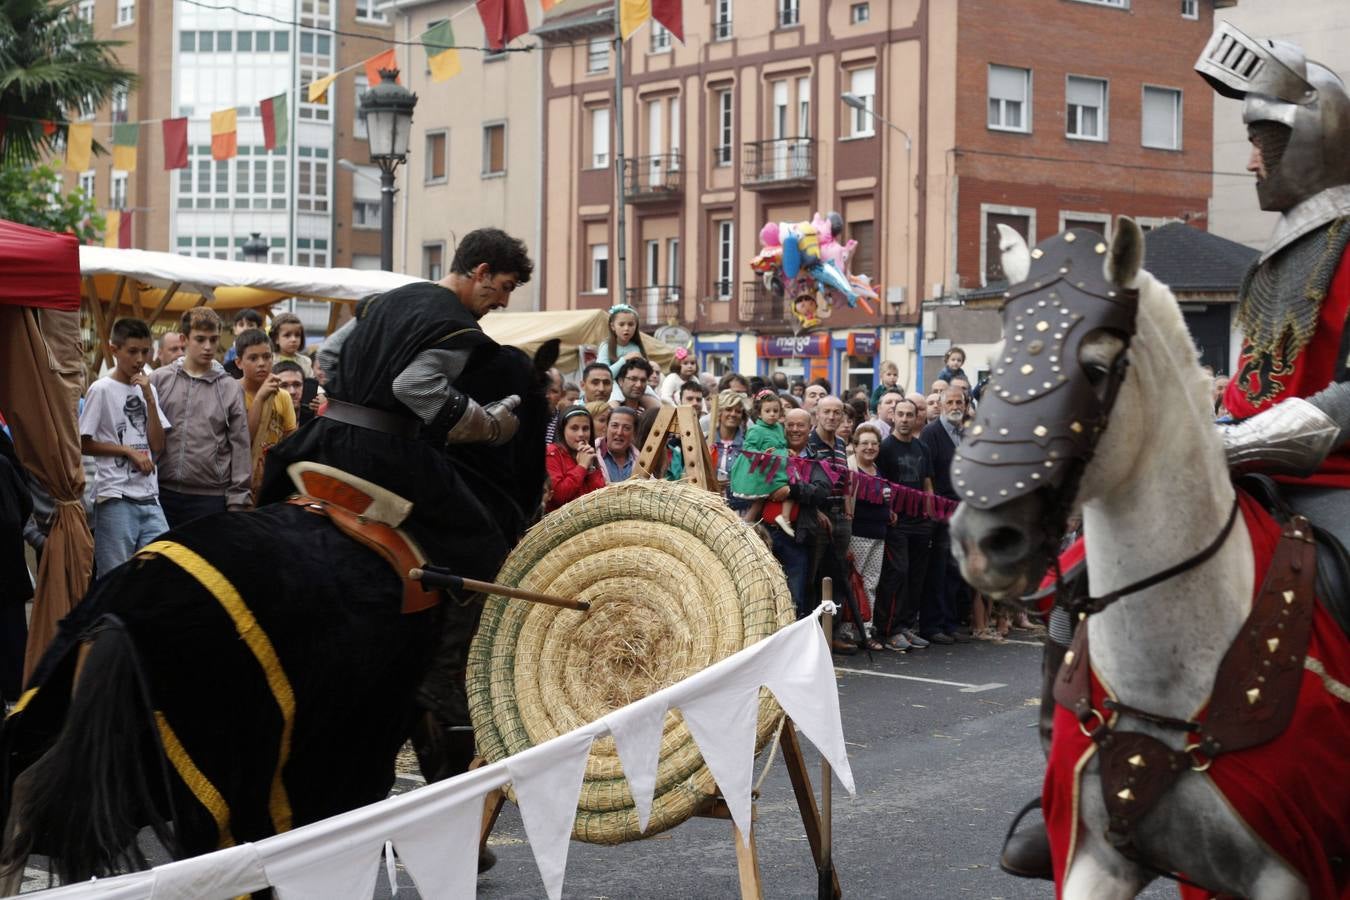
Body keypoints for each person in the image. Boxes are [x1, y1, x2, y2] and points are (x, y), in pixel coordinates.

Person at [257, 227, 534, 804]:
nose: (503, 301)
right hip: (385, 454)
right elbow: (417, 387)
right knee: (486, 551)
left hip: (323, 440)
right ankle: (439, 682)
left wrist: (355, 395)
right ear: (481, 272)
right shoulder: (454, 322)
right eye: (504, 287)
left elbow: (330, 357)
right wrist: (488, 425)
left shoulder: (388, 299)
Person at [79, 318, 170, 574]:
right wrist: (127, 451)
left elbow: (158, 445)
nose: (140, 359)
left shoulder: (148, 389)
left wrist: (150, 400)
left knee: (161, 569)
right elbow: (83, 444)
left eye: (145, 351)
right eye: (132, 351)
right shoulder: (101, 389)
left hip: (150, 496)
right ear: (114, 350)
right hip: (115, 495)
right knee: (114, 576)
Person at [150, 307, 252, 527]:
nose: (208, 346)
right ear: (184, 339)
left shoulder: (230, 388)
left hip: (210, 497)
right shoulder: (159, 380)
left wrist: (238, 501)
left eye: (213, 339)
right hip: (160, 491)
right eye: (200, 339)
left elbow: (241, 445)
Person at [873, 398, 934, 651]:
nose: (906, 419)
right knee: (897, 572)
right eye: (901, 414)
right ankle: (890, 630)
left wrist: (931, 512)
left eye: (910, 414)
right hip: (897, 521)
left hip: (922, 522)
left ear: (916, 417)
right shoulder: (885, 448)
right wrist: (887, 511)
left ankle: (906, 626)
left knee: (916, 577)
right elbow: (879, 483)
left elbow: (927, 482)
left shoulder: (922, 447)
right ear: (893, 417)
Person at [918, 385, 969, 645]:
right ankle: (933, 625)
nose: (955, 407)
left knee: (955, 569)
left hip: (963, 510)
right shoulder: (932, 432)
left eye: (959, 402)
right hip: (941, 511)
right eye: (950, 402)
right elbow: (927, 474)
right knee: (937, 569)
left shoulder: (966, 433)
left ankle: (950, 622)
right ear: (940, 405)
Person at [236, 328, 297, 501]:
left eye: (267, 356)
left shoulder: (283, 396)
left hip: (271, 479)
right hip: (241, 480)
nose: (262, 363)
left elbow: (290, 441)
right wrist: (260, 399)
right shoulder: (231, 392)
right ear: (239, 363)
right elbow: (243, 442)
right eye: (253, 358)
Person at [846, 424, 889, 651]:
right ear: (855, 446)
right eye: (864, 443)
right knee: (855, 584)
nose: (869, 447)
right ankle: (848, 631)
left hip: (878, 534)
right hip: (857, 535)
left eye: (874, 443)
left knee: (871, 584)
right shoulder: (851, 468)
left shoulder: (877, 469)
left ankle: (866, 630)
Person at [729, 390, 797, 535]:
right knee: (786, 490)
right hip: (764, 470)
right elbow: (748, 448)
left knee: (793, 486)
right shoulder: (756, 430)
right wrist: (761, 456)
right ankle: (748, 522)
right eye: (767, 411)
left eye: (775, 411)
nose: (772, 414)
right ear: (759, 414)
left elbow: (780, 445)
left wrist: (787, 451)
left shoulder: (779, 427)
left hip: (779, 467)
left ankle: (783, 517)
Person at [544, 407, 604, 511]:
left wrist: (590, 469)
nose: (581, 434)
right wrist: (582, 467)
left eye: (585, 428)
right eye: (574, 428)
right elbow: (558, 496)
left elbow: (600, 497)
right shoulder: (552, 453)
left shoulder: (588, 454)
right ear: (563, 430)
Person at [708, 390, 748, 492]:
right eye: (728, 409)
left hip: (737, 500)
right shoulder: (706, 441)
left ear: (742, 416)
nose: (733, 414)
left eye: (738, 411)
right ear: (720, 412)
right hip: (707, 499)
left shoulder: (747, 445)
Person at [595, 304, 649, 377]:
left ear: (636, 326)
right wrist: (624, 359)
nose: (626, 328)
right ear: (612, 326)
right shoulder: (606, 347)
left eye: (630, 324)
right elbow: (603, 375)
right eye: (621, 324)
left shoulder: (636, 348)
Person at [598, 406, 639, 483]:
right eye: (614, 426)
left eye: (626, 428)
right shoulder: (592, 455)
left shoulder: (640, 460)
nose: (619, 432)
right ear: (606, 427)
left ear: (634, 432)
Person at [269, 312, 314, 379]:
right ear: (276, 339)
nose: (293, 339)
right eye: (287, 335)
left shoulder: (306, 362)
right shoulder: (269, 361)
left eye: (297, 335)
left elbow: (310, 382)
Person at [272, 360, 315, 428]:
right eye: (284, 386)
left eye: (297, 384)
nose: (292, 392)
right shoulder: (264, 420)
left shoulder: (317, 420)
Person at [223, 308, 263, 377]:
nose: (245, 328)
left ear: (259, 329)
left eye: (250, 325)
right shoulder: (231, 352)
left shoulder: (263, 349)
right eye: (241, 325)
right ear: (235, 329)